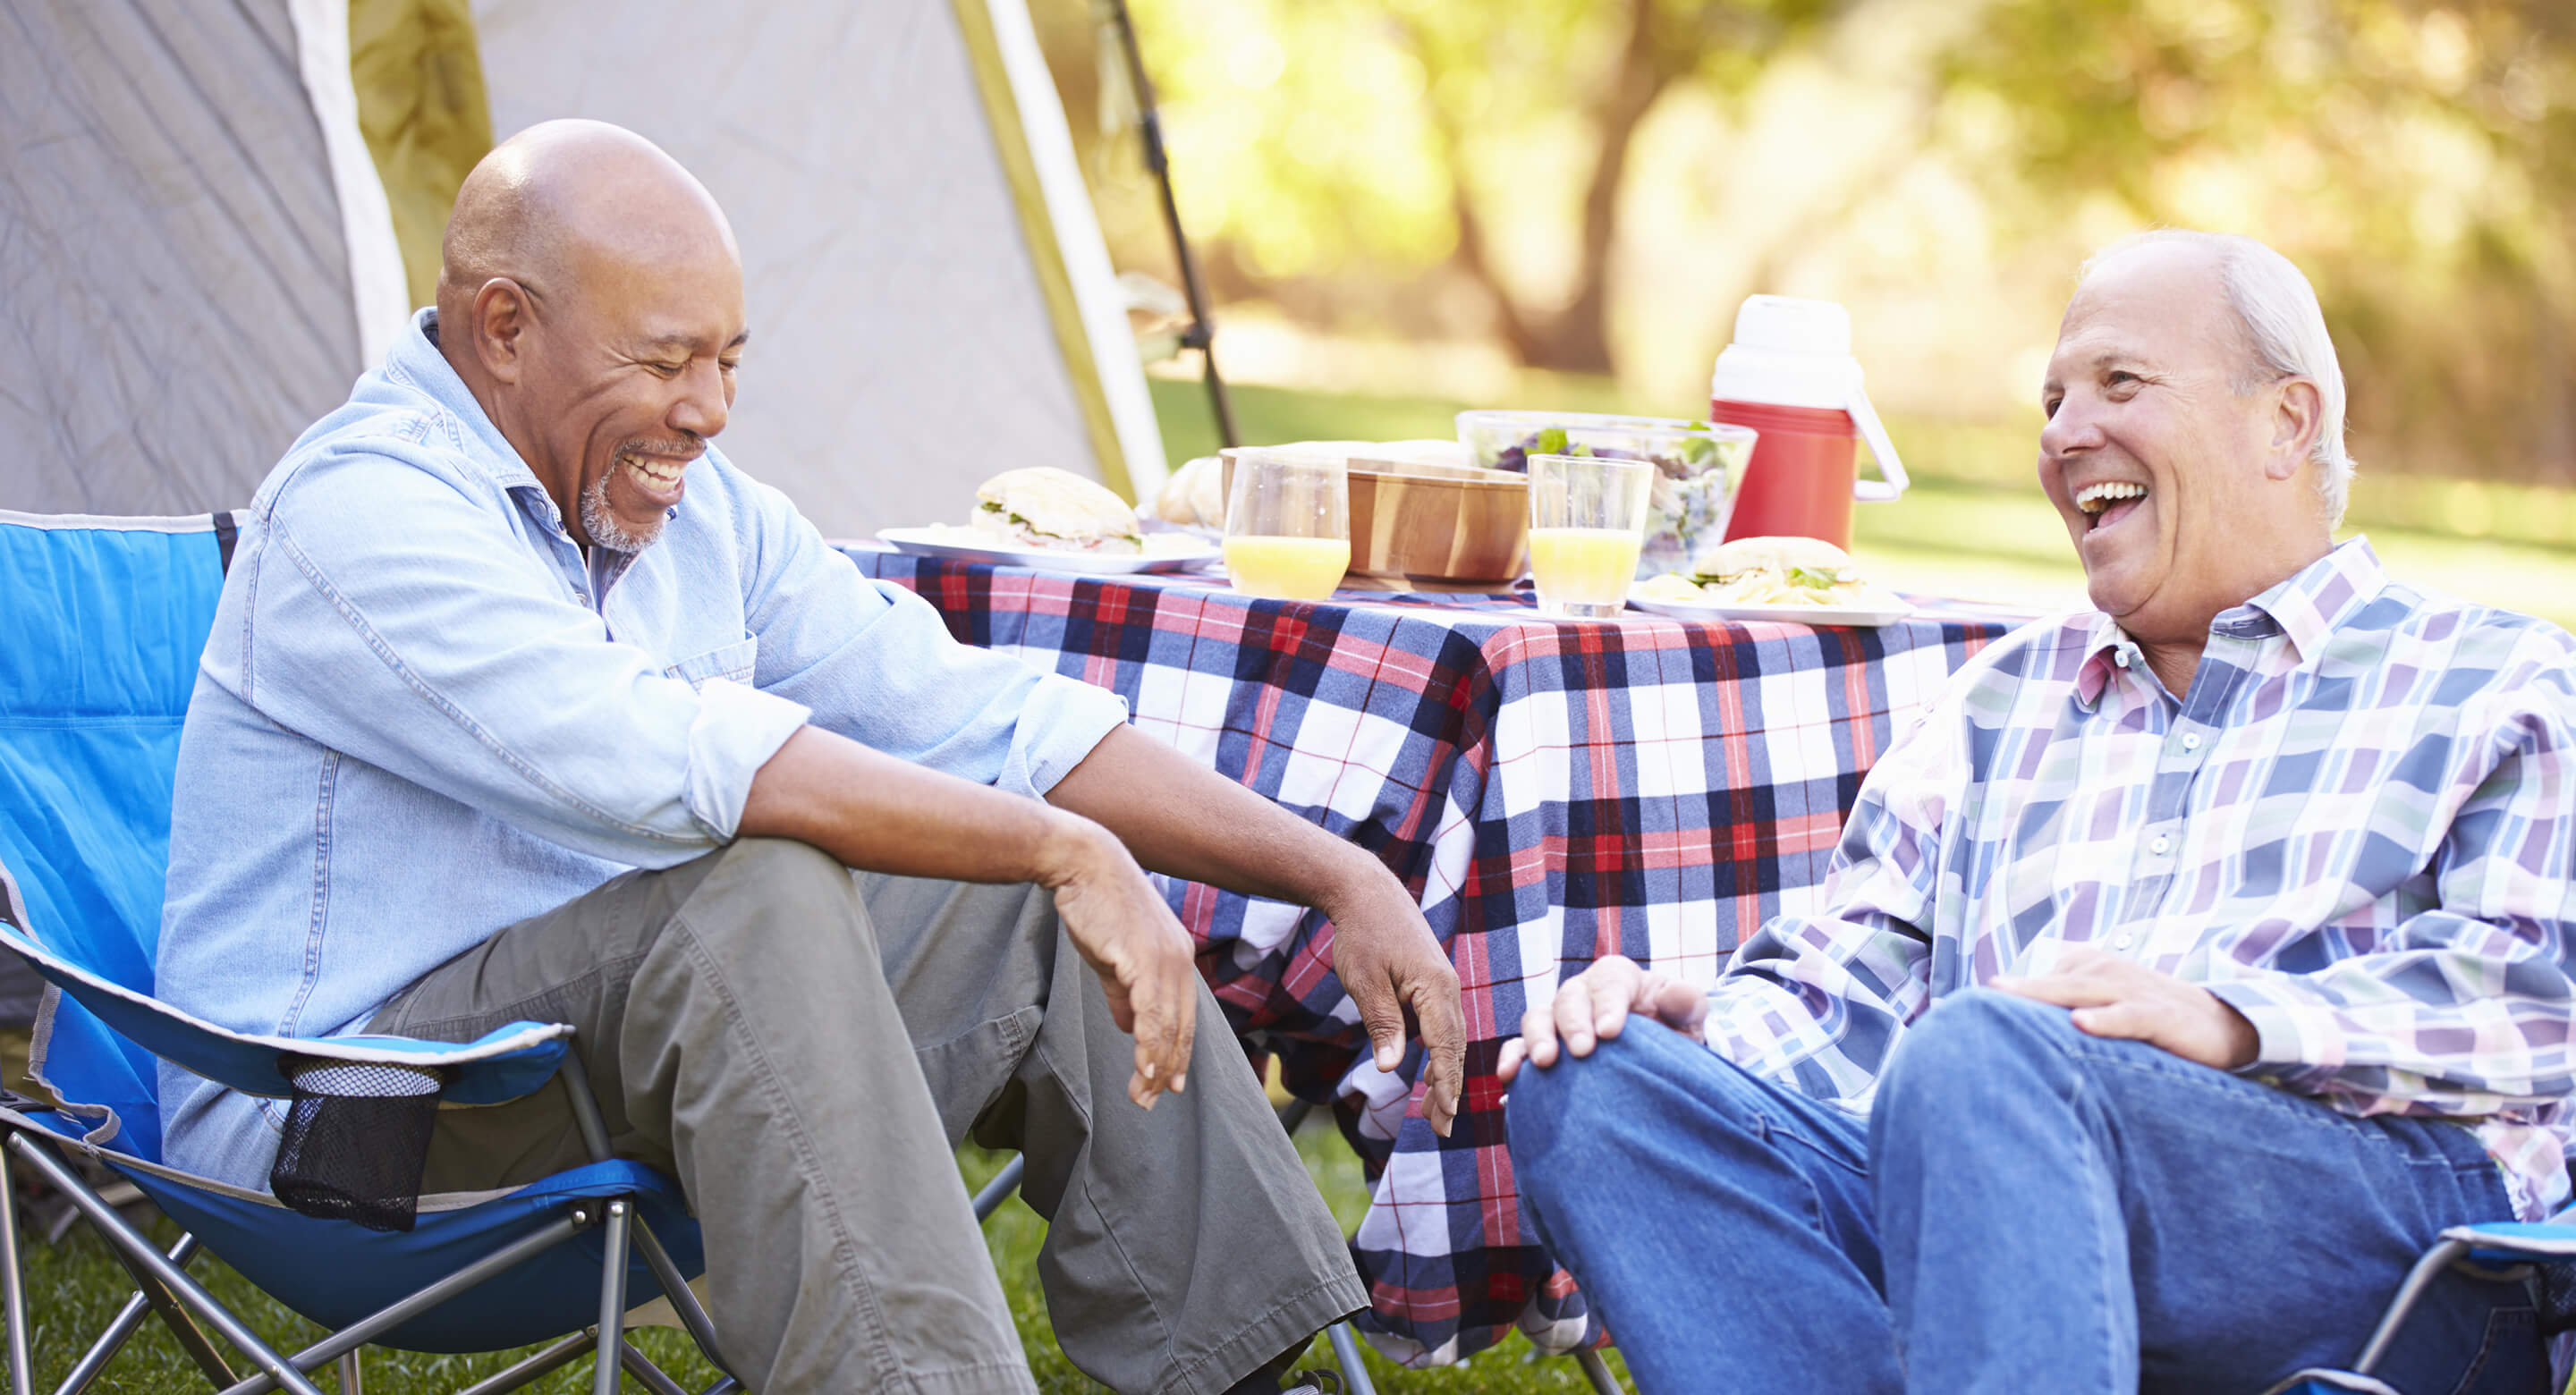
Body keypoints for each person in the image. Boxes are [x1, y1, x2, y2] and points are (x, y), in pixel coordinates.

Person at [155, 119, 1467, 1395]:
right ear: (504, 328)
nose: (711, 410)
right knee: (775, 883)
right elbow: (678, 759)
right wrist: (1060, 844)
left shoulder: (696, 511)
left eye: (730, 360)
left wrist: (1336, 874)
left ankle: (1241, 1366)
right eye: (669, 360)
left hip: (601, 1047)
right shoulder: (363, 511)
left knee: (1013, 891)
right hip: (345, 1119)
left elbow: (975, 713)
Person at [1497, 230, 2576, 1393]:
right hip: (1991, 1204)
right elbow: (1847, 981)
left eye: (2121, 384)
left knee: (1987, 1054)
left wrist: (2227, 1019)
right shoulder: (1996, 704)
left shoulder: (2498, 681)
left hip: (2379, 1249)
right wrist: (1696, 1023)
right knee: (1596, 1085)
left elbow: (2537, 1002)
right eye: (2053, 399)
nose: (2065, 433)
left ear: (2288, 422)